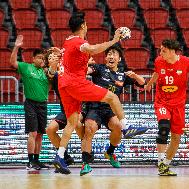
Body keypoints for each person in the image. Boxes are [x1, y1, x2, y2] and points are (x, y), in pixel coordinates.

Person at [53, 11, 129, 174]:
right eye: (86, 24)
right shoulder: (79, 42)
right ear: (83, 26)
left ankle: (59, 156)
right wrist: (114, 40)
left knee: (72, 122)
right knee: (112, 97)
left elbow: (71, 57)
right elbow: (92, 49)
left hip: (63, 85)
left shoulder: (67, 42)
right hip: (75, 83)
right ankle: (126, 127)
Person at [79, 45, 147, 176]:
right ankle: (85, 163)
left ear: (119, 59)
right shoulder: (99, 68)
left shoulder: (123, 74)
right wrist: (86, 63)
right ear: (105, 58)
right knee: (89, 128)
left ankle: (110, 153)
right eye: (109, 54)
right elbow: (84, 72)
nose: (111, 56)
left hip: (110, 110)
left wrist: (135, 76)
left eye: (114, 54)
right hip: (94, 107)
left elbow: (143, 84)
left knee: (118, 127)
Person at [144, 39, 189, 176]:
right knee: (164, 127)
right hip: (162, 102)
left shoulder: (186, 61)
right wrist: (149, 84)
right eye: (160, 50)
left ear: (172, 51)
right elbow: (157, 73)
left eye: (163, 50)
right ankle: (160, 162)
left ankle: (165, 165)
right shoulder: (159, 61)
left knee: (176, 137)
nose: (160, 53)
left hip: (178, 105)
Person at [10, 35, 52, 170]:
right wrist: (16, 47)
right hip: (31, 104)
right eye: (39, 58)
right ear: (33, 59)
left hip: (43, 105)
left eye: (43, 59)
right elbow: (12, 63)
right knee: (33, 133)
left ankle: (37, 161)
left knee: (40, 134)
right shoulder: (27, 68)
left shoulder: (47, 72)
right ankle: (29, 162)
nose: (42, 60)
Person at [45, 50, 86, 170]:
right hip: (65, 110)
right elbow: (51, 74)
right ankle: (66, 158)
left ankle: (86, 151)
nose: (54, 58)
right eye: (51, 58)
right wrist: (52, 67)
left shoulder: (67, 68)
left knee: (77, 123)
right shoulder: (52, 74)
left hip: (80, 108)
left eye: (55, 56)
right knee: (50, 129)